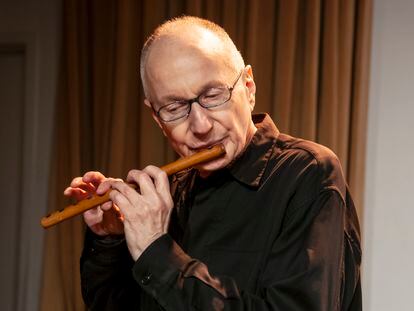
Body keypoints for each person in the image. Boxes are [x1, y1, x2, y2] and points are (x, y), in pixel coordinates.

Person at [67, 16, 361, 310]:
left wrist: (157, 251)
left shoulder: (308, 173)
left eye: (212, 95)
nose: (200, 125)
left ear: (248, 87)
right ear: (157, 118)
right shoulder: (168, 193)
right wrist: (110, 242)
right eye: (174, 108)